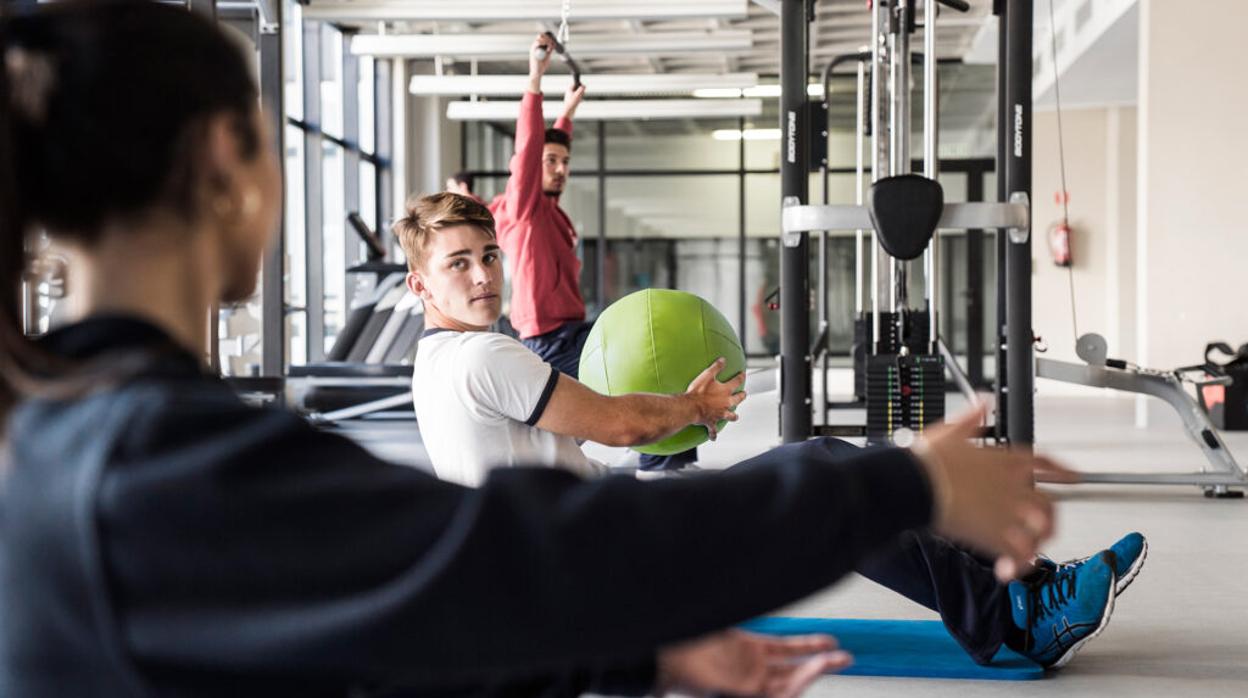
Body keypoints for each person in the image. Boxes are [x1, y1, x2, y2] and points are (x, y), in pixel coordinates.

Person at [0, 3, 1066, 696]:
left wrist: (637, 651)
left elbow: (408, 625)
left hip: (563, 558)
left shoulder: (61, 439)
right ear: (226, 159)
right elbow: (502, 552)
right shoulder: (163, 465)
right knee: (807, 468)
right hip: (564, 455)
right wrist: (898, 482)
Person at [400, 191, 1148, 670]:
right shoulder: (486, 352)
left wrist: (669, 438)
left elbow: (585, 441)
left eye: (489, 256)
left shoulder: (436, 361)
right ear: (420, 282)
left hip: (581, 545)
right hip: (596, 566)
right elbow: (618, 425)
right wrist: (693, 409)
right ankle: (1013, 621)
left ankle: (1022, 589)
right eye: (457, 263)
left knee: (814, 466)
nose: (482, 276)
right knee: (826, 481)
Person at [492, 33, 698, 470]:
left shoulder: (551, 212)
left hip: (573, 331)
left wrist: (567, 114)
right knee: (633, 387)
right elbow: (530, 150)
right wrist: (535, 78)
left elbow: (549, 146)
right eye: (552, 163)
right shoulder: (525, 210)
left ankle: (670, 466)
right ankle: (660, 472)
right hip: (545, 342)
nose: (560, 169)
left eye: (565, 163)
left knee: (654, 370)